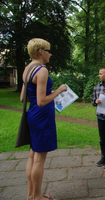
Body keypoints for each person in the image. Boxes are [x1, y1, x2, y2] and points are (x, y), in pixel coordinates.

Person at [22, 38, 67, 200]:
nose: (50, 54)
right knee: (39, 158)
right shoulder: (41, 70)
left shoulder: (28, 69)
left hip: (32, 114)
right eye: (48, 51)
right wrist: (59, 91)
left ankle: (31, 194)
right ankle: (38, 197)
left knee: (32, 156)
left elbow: (23, 97)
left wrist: (45, 92)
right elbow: (42, 102)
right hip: (42, 117)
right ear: (41, 51)